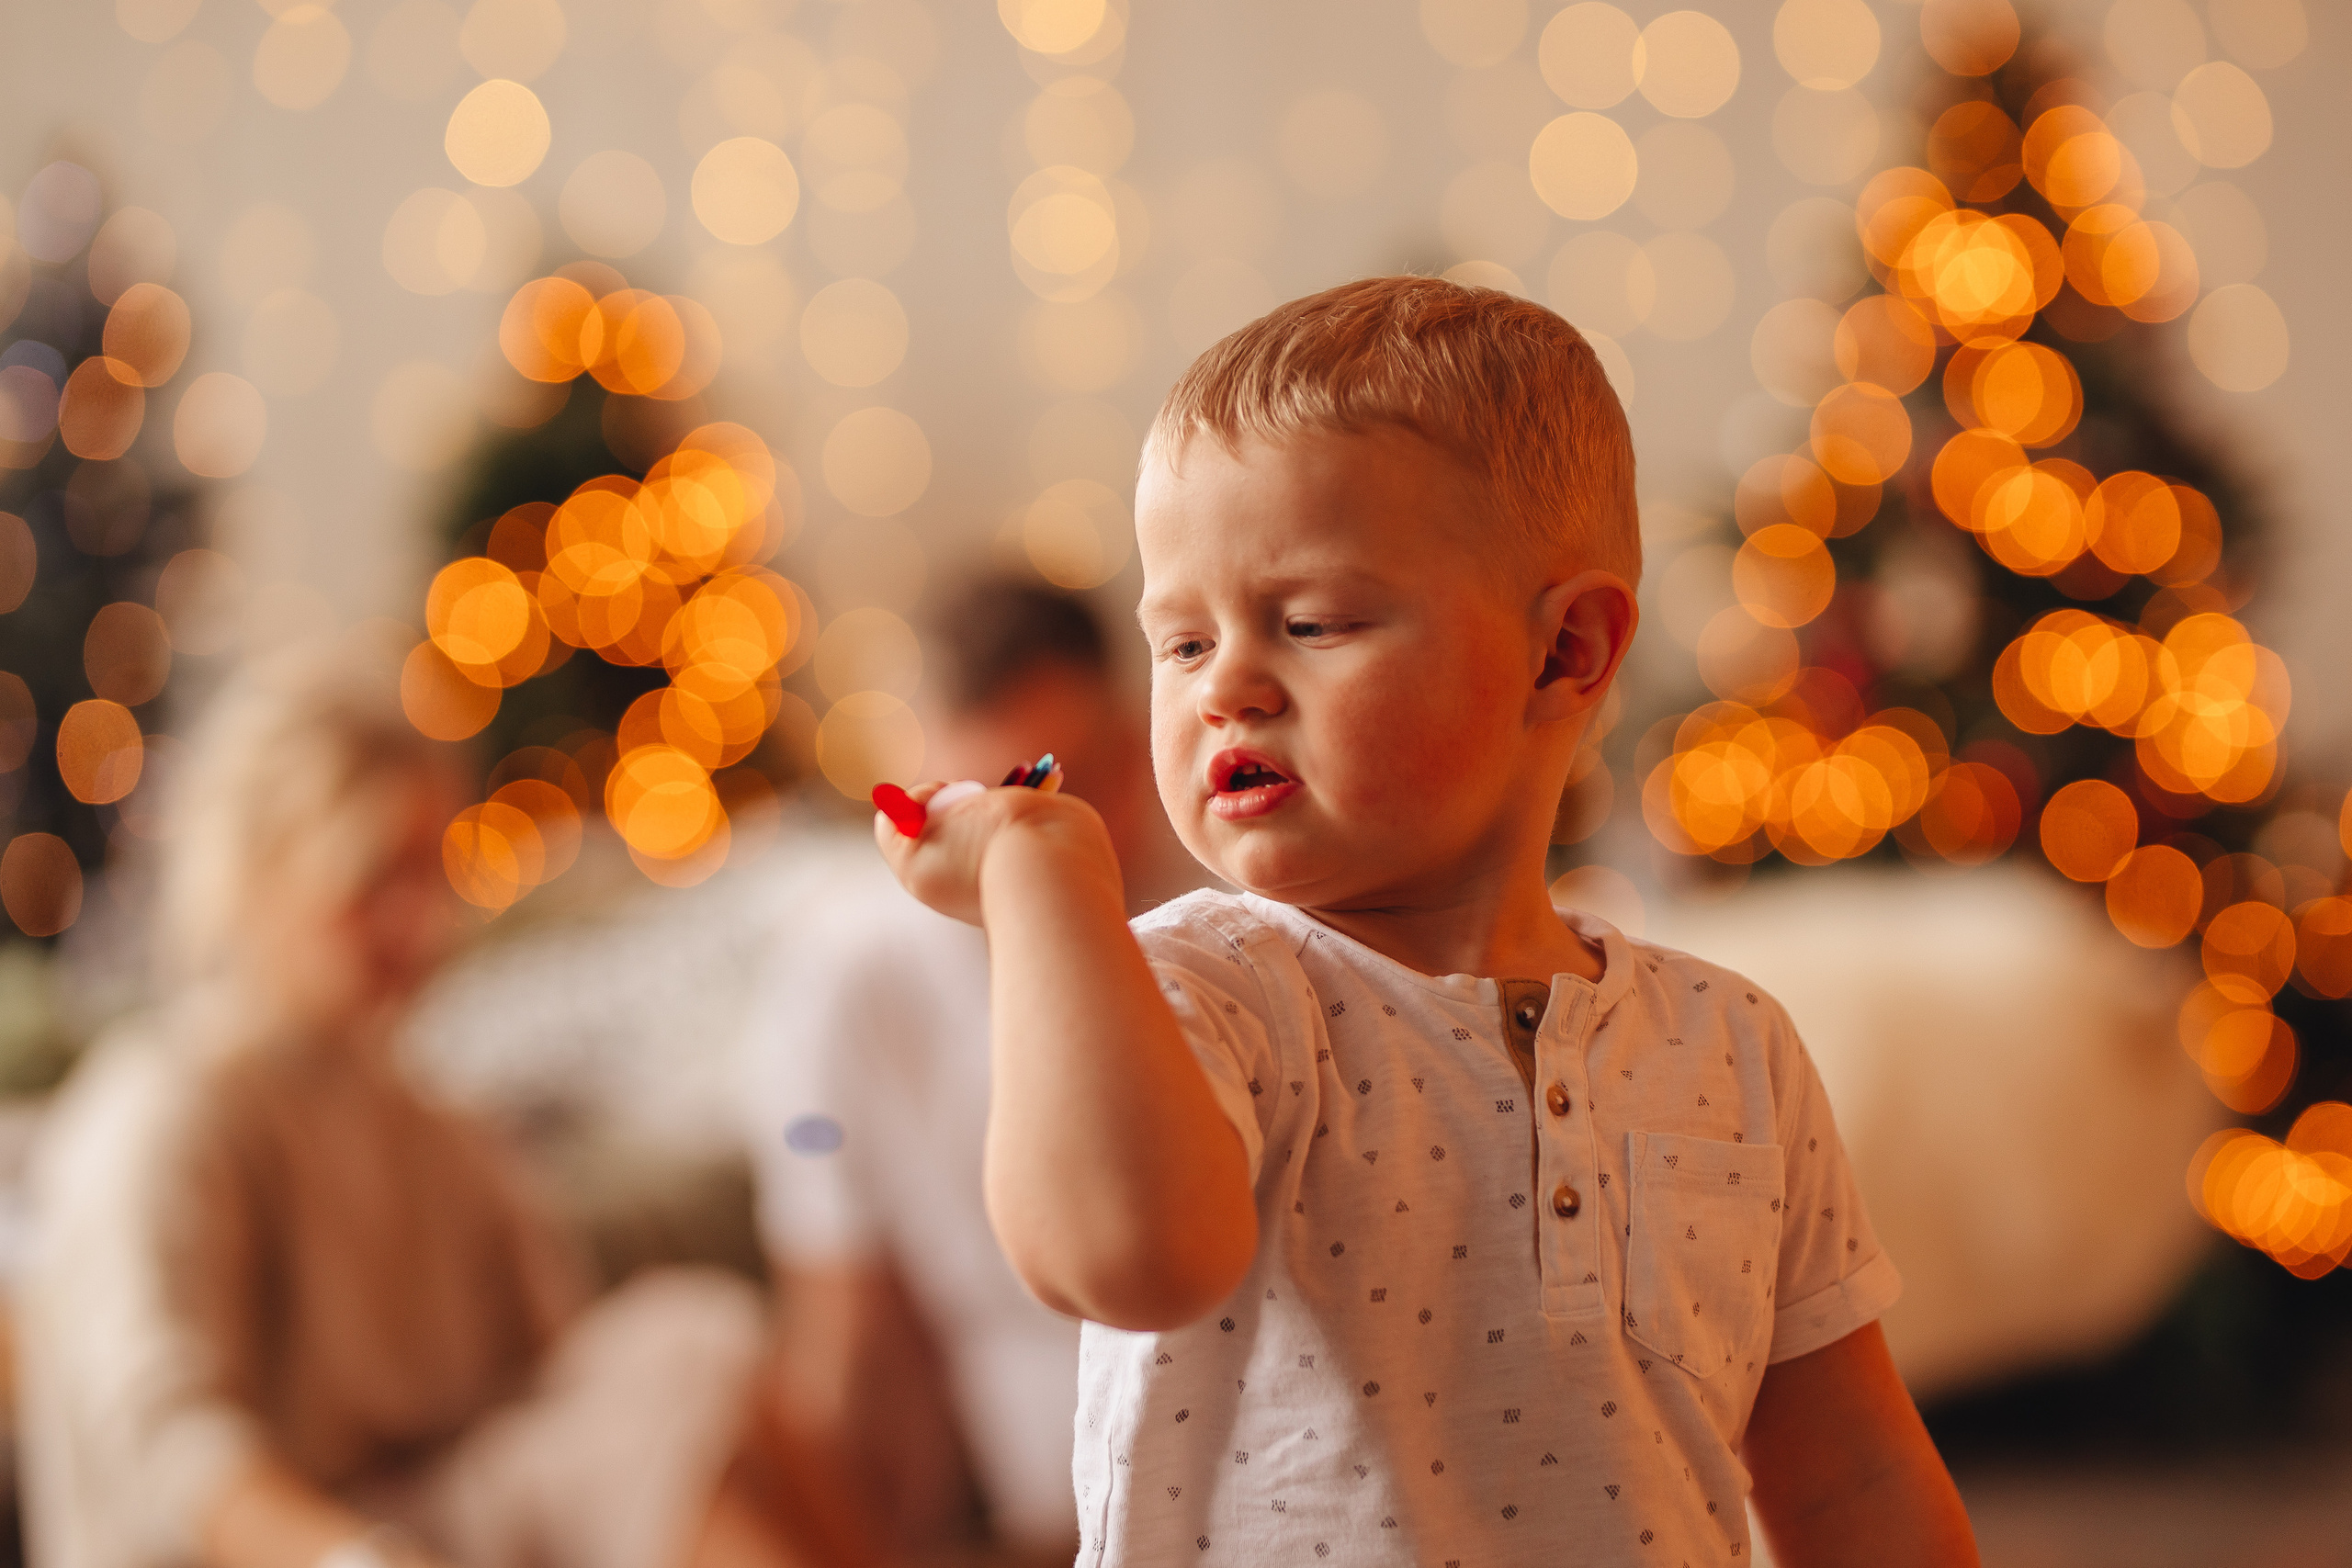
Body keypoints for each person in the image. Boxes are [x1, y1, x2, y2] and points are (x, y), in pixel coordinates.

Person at [869, 278, 1981, 1564]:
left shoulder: (1735, 1050)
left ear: (1567, 648)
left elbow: (1851, 1481)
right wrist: (1044, 884)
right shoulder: (1212, 992)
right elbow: (1121, 1253)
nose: (1226, 682)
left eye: (1310, 622)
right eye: (1179, 643)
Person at [16, 645, 838, 1568]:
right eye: (376, 877)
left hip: (433, 1516)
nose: (421, 923)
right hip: (294, 1547)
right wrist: (348, 1557)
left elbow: (563, 1366)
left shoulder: (429, 1121)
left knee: (686, 1342)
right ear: (266, 866)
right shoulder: (169, 1107)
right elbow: (167, 1446)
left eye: (431, 875)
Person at [742, 579, 1160, 1564]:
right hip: (1023, 1470)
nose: (1011, 854)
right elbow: (841, 1324)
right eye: (978, 805)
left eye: (1053, 790)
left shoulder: (1222, 929)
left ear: (1132, 760)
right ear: (920, 781)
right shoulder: (844, 975)